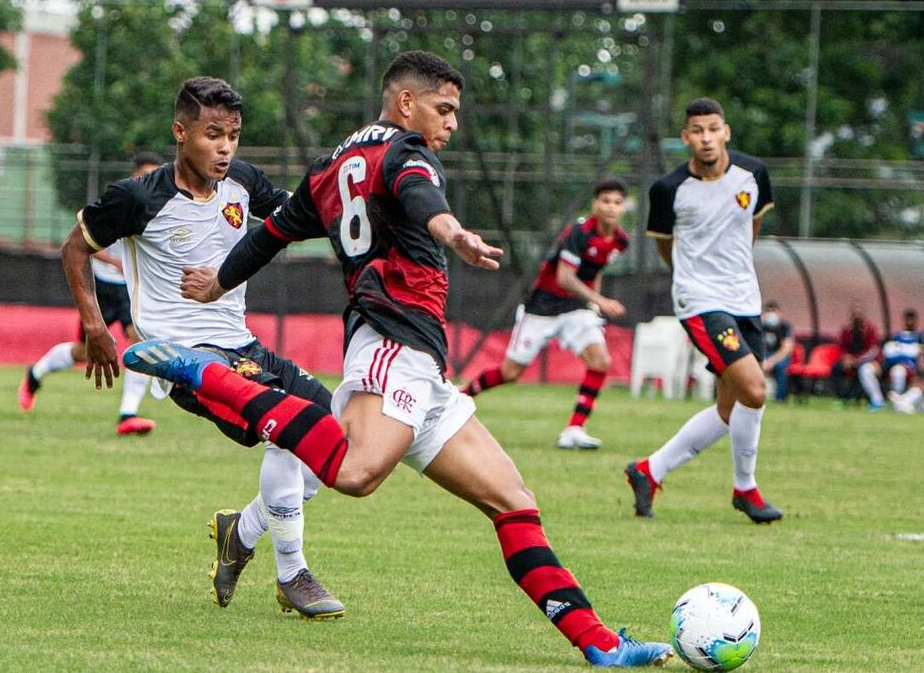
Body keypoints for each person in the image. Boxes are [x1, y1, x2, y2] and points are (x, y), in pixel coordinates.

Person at [132, 51, 670, 667]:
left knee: (513, 502)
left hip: (420, 365)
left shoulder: (328, 167)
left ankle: (600, 645)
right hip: (391, 343)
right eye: (444, 109)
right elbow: (419, 197)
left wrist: (219, 283)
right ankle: (203, 372)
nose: (451, 124)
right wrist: (454, 232)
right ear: (405, 102)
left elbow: (269, 234)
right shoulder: (406, 152)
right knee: (357, 474)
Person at [61, 77, 343, 619]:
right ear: (180, 131)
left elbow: (291, 219)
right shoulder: (139, 197)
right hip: (189, 358)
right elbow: (75, 248)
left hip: (244, 347)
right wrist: (97, 327)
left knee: (339, 434)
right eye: (213, 134)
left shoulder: (242, 183)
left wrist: (339, 201)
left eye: (233, 135)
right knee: (288, 429)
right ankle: (292, 575)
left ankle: (243, 531)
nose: (225, 148)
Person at [624, 97, 782, 524]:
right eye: (697, 130)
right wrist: (692, 280)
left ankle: (648, 470)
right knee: (754, 390)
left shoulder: (754, 174)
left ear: (726, 131)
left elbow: (751, 223)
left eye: (713, 129)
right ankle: (745, 490)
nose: (706, 138)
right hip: (700, 301)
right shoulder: (668, 190)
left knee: (731, 410)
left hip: (744, 300)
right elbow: (664, 244)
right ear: (686, 138)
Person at [463, 180, 629, 450]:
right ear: (595, 205)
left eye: (617, 202)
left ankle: (574, 429)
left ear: (623, 208)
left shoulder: (620, 240)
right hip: (542, 308)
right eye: (606, 201)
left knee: (600, 361)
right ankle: (461, 396)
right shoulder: (579, 233)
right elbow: (565, 278)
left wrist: (593, 305)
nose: (611, 207)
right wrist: (600, 299)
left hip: (576, 309)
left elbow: (594, 269)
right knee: (511, 372)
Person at [18, 153, 163, 435]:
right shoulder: (117, 203)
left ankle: (127, 414)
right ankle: (35, 374)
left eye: (156, 177)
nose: (151, 183)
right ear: (134, 176)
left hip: (129, 290)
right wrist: (114, 263)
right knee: (86, 352)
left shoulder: (159, 210)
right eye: (146, 176)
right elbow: (83, 245)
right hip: (100, 287)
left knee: (140, 342)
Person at [829, 302, 882, 410]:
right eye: (854, 314)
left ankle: (852, 398)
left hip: (865, 360)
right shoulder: (846, 329)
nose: (857, 316)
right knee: (836, 369)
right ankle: (841, 398)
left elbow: (872, 350)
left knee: (861, 371)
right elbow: (841, 346)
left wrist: (856, 360)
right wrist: (846, 358)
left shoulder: (870, 329)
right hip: (849, 359)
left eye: (859, 314)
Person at [875, 308, 922, 405]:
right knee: (897, 369)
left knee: (899, 370)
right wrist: (902, 358)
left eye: (912, 319)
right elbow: (889, 354)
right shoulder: (896, 337)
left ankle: (898, 400)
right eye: (908, 319)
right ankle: (897, 399)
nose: (910, 322)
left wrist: (904, 359)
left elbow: (917, 356)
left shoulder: (919, 337)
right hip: (895, 366)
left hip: (912, 369)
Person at [759, 301, 793, 403]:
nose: (771, 314)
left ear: (779, 312)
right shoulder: (760, 326)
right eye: (768, 311)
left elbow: (787, 349)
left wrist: (771, 361)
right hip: (763, 355)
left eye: (773, 311)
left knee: (781, 367)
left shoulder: (785, 327)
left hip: (779, 356)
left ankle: (780, 399)